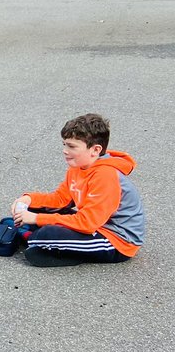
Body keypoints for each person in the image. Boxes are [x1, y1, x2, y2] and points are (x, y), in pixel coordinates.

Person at [11, 113, 144, 267]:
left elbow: (87, 223)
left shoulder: (105, 176)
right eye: (64, 144)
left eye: (72, 146)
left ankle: (34, 237)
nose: (65, 151)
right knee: (33, 209)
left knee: (46, 235)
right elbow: (60, 200)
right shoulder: (78, 167)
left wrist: (35, 219)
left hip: (116, 240)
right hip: (92, 223)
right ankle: (34, 236)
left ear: (95, 150)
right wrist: (28, 199)